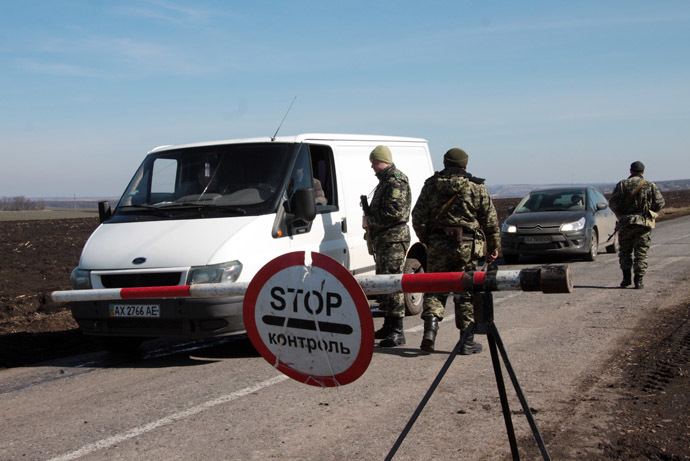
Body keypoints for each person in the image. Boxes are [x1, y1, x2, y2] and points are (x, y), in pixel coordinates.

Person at [411, 148, 500, 354]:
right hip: (466, 248)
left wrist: (427, 240)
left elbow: (418, 217)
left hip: (437, 246)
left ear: (444, 164)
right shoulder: (476, 187)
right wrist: (493, 248)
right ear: (465, 165)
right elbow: (490, 221)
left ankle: (429, 335)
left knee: (434, 288)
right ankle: (466, 341)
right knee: (465, 291)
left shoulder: (431, 186)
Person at [362, 145, 411, 347]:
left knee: (392, 283)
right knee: (384, 283)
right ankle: (389, 326)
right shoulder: (384, 182)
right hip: (384, 240)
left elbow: (396, 213)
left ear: (384, 161)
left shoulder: (395, 181)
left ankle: (398, 331)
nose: (372, 166)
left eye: (375, 162)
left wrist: (370, 221)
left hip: (393, 240)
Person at [609, 161, 665, 289]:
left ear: (630, 171)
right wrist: (650, 212)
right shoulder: (650, 185)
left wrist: (622, 215)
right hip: (643, 223)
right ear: (643, 172)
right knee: (641, 252)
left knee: (625, 251)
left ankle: (626, 278)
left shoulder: (622, 184)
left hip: (626, 223)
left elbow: (613, 203)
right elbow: (660, 203)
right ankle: (639, 280)